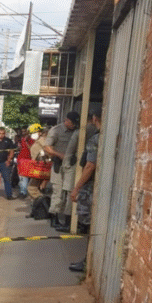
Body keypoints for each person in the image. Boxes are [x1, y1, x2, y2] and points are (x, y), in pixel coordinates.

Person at [68, 110, 102, 272]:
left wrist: (77, 188)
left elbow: (90, 166)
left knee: (91, 225)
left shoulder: (97, 138)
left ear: (94, 118)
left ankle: (89, 261)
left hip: (92, 188)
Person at [44, 112, 79, 229]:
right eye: (72, 123)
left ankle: (68, 219)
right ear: (66, 120)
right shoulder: (56, 130)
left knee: (70, 192)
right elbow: (47, 147)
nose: (73, 125)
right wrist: (59, 155)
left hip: (72, 165)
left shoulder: (78, 130)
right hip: (59, 166)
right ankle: (54, 218)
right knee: (58, 192)